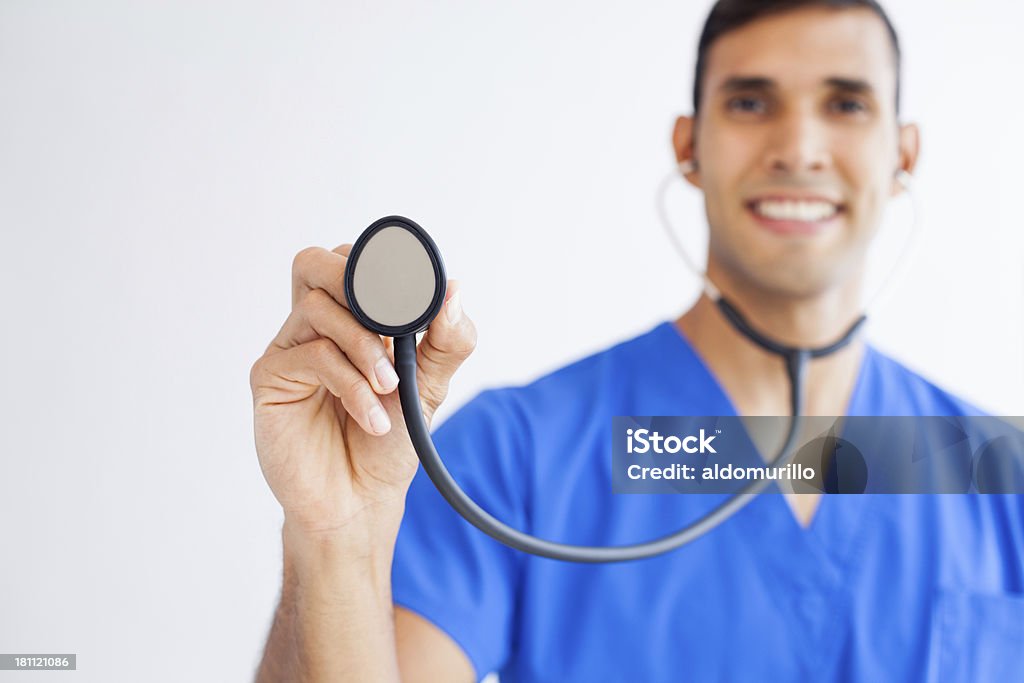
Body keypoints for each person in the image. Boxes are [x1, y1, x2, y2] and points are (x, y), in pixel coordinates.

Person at [249, 0, 1024, 680]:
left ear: (905, 154)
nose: (799, 146)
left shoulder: (1000, 476)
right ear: (689, 146)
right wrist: (335, 537)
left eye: (847, 104)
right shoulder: (513, 457)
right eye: (751, 102)